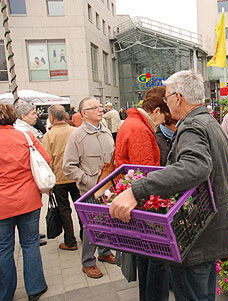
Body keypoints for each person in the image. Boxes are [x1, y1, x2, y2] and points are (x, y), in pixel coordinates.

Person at [109, 70, 228, 300]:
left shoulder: (192, 126)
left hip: (195, 237)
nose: (166, 103)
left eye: (167, 97)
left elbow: (194, 167)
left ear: (178, 97)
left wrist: (137, 190)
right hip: (211, 231)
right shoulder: (209, 121)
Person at [115, 87, 171, 300]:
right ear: (156, 110)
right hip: (143, 205)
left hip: (134, 201)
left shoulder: (133, 123)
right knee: (155, 258)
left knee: (144, 258)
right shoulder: (139, 128)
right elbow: (145, 173)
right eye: (164, 117)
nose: (164, 122)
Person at [62, 97, 115, 279]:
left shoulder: (106, 130)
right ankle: (88, 262)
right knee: (92, 227)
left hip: (109, 189)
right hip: (90, 191)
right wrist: (86, 180)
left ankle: (104, 252)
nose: (100, 110)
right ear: (84, 114)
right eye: (95, 108)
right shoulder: (77, 136)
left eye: (100, 106)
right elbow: (68, 167)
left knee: (107, 223)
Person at [0, 104, 49, 301]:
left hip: (2, 203)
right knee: (30, 243)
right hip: (28, 199)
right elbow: (45, 158)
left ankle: (5, 293)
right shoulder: (25, 136)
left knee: (4, 248)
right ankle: (35, 287)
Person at [42, 105, 81, 251]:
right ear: (65, 115)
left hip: (59, 179)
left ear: (51, 118)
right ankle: (85, 234)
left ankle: (70, 241)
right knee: (80, 207)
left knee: (64, 210)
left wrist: (48, 184)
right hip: (76, 176)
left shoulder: (49, 135)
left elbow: (47, 160)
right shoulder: (75, 131)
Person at [14, 103, 47, 246]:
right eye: (33, 114)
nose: (36, 116)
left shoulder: (26, 130)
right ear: (23, 116)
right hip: (26, 184)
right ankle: (31, 234)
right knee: (29, 242)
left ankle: (32, 232)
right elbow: (44, 157)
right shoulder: (23, 132)